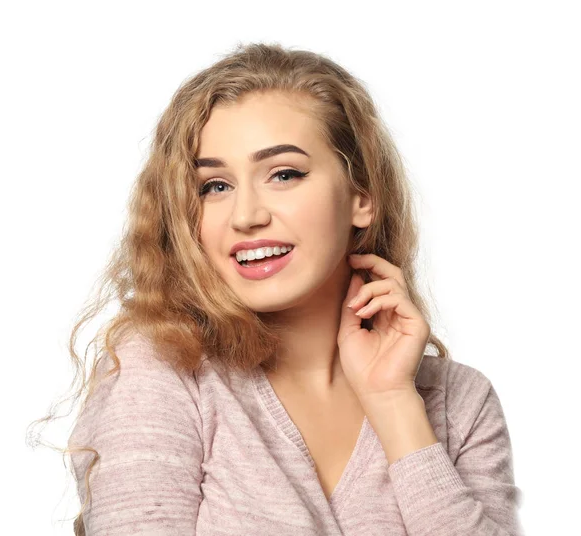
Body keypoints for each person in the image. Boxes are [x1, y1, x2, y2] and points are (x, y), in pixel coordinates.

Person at [61, 42, 524, 535]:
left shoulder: (461, 402)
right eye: (214, 186)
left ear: (360, 199)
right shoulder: (166, 370)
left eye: (284, 174)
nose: (246, 216)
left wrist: (394, 403)